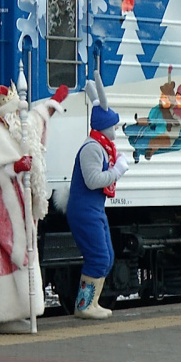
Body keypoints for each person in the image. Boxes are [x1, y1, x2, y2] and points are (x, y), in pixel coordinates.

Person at [0, 82, 67, 333]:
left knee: (19, 257)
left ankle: (15, 313)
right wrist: (15, 168)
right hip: (1, 214)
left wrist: (51, 105)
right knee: (5, 256)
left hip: (17, 209)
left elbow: (31, 124)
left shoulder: (8, 127)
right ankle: (3, 316)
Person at [66, 72, 129, 319]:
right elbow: (93, 181)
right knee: (99, 256)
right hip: (85, 209)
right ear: (104, 126)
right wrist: (117, 171)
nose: (116, 128)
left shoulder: (100, 146)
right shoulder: (92, 148)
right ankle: (84, 306)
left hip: (94, 209)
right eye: (113, 124)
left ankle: (91, 302)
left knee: (107, 256)